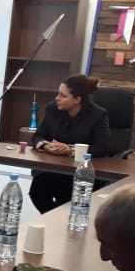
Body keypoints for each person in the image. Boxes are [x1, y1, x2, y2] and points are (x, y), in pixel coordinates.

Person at [28, 74, 110, 212]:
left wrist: (71, 150)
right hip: (53, 168)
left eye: (63, 95)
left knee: (66, 198)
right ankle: (57, 221)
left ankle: (58, 220)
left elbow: (102, 147)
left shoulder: (98, 115)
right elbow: (38, 136)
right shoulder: (52, 108)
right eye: (58, 93)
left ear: (77, 99)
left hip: (81, 172)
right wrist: (46, 146)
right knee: (37, 192)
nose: (57, 98)